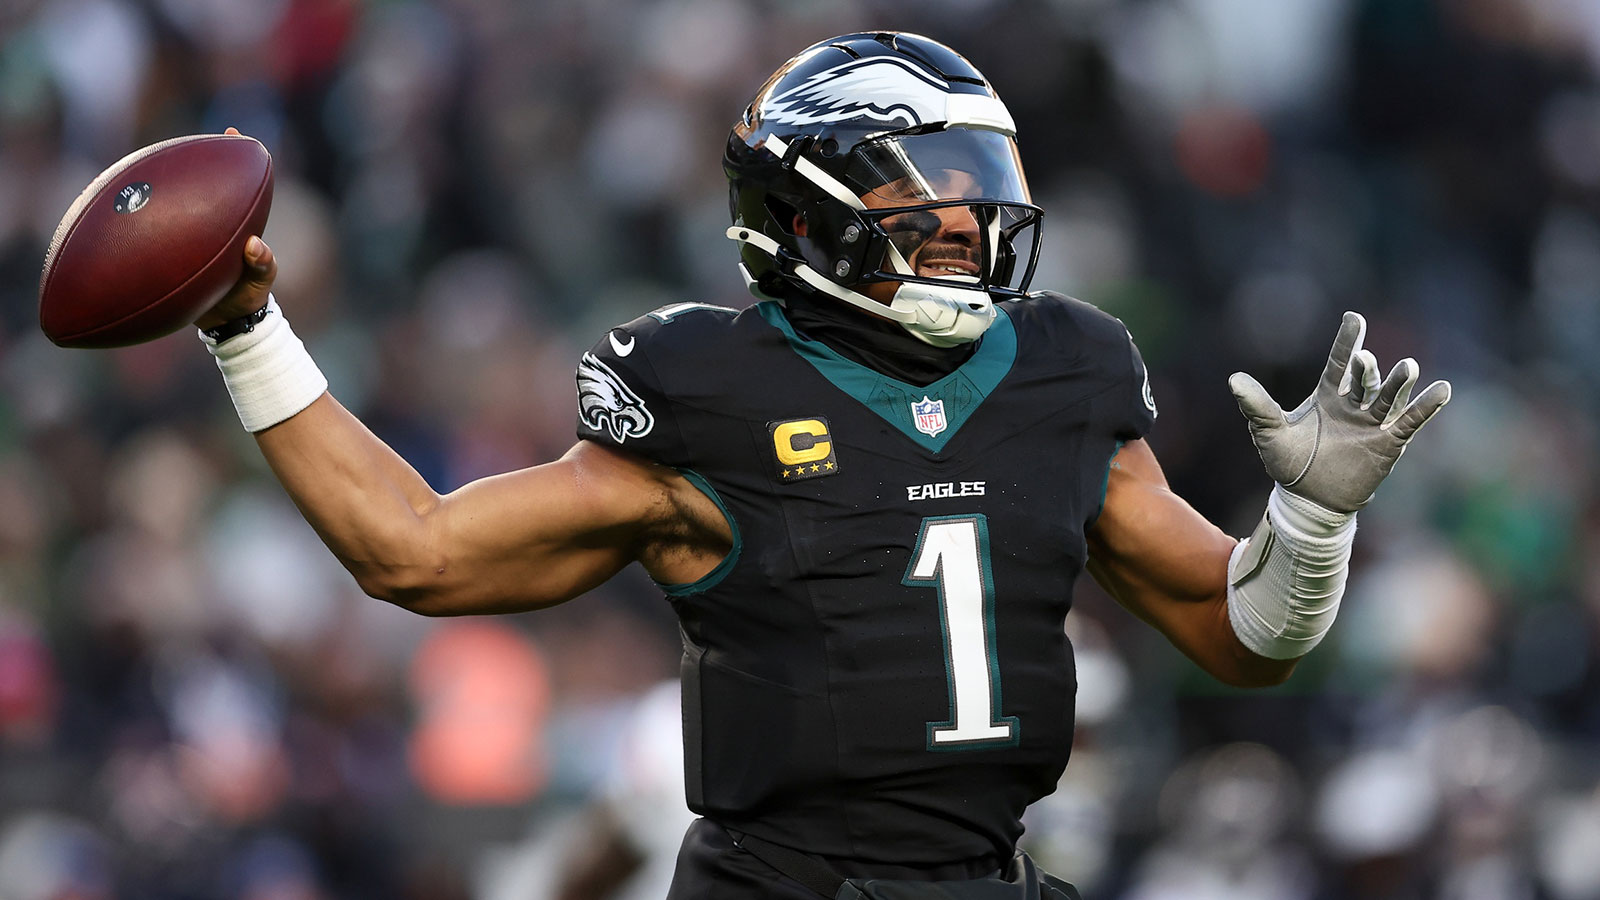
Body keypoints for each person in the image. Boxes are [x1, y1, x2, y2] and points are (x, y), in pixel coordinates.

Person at [192, 32, 1450, 900]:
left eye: (985, 183)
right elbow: (412, 549)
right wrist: (247, 331)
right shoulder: (706, 394)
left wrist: (1313, 519)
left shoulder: (1064, 371)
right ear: (806, 211)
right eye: (933, 185)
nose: (970, 220)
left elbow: (1243, 636)